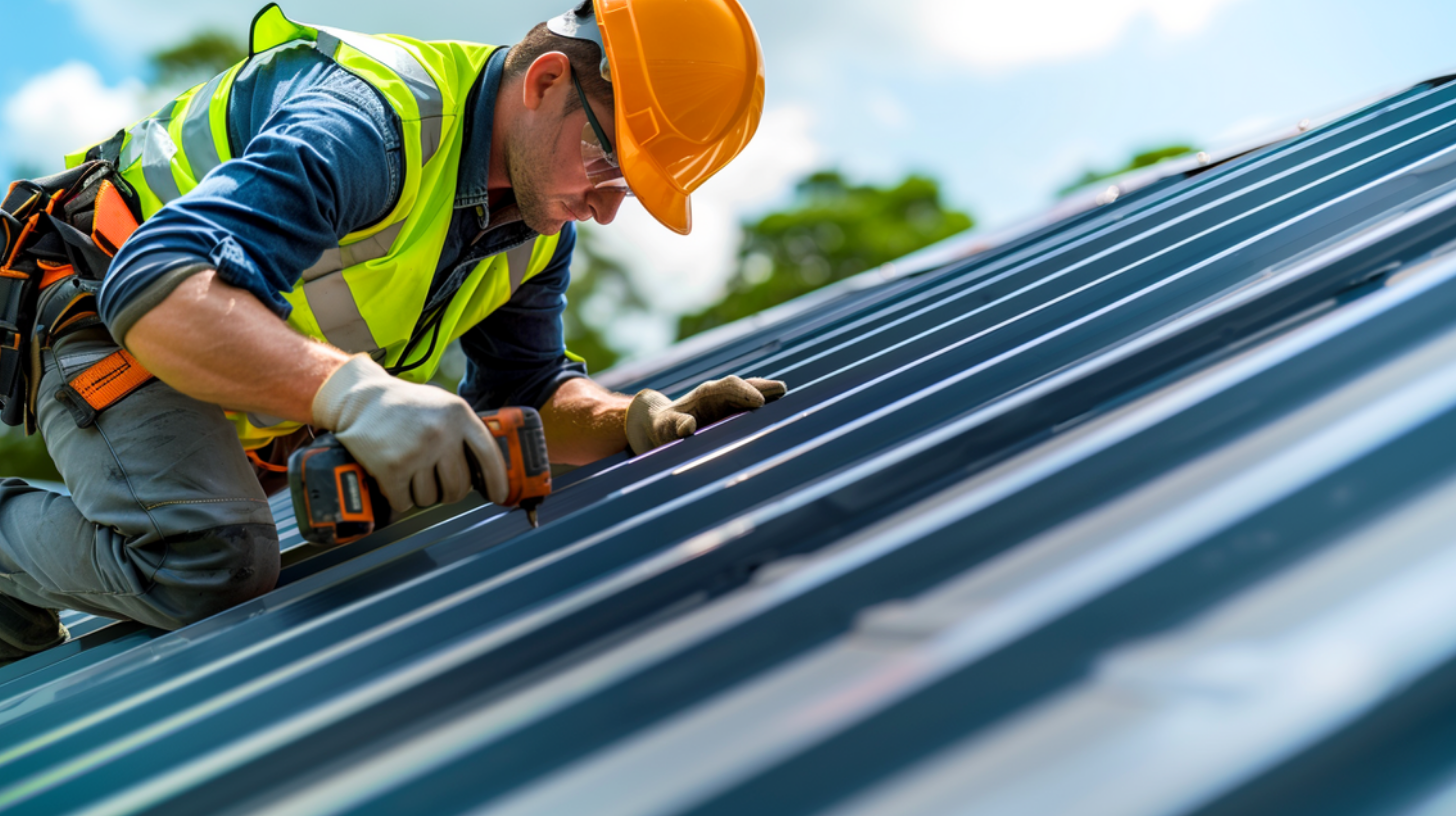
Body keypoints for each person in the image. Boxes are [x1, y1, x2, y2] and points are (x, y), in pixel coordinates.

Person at [0, 0, 783, 665]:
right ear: (547, 82)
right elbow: (158, 286)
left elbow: (528, 392)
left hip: (213, 350)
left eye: (631, 189)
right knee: (210, 562)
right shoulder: (371, 122)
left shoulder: (535, 227)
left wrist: (632, 423)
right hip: (105, 296)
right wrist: (353, 395)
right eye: (608, 163)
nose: (608, 206)